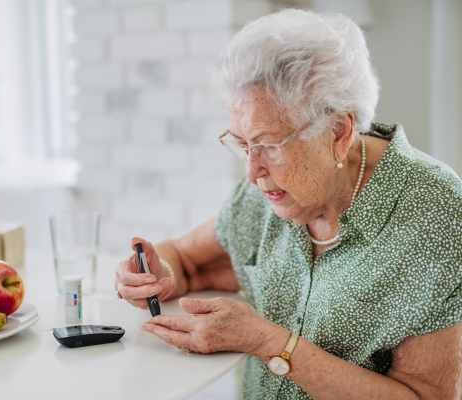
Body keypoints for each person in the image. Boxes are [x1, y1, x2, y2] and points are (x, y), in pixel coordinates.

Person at [114, 9, 462, 399]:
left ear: (338, 131)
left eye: (268, 146)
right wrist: (151, 276)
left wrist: (269, 343)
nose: (251, 170)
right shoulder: (270, 191)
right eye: (242, 143)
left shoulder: (436, 213)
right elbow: (186, 260)